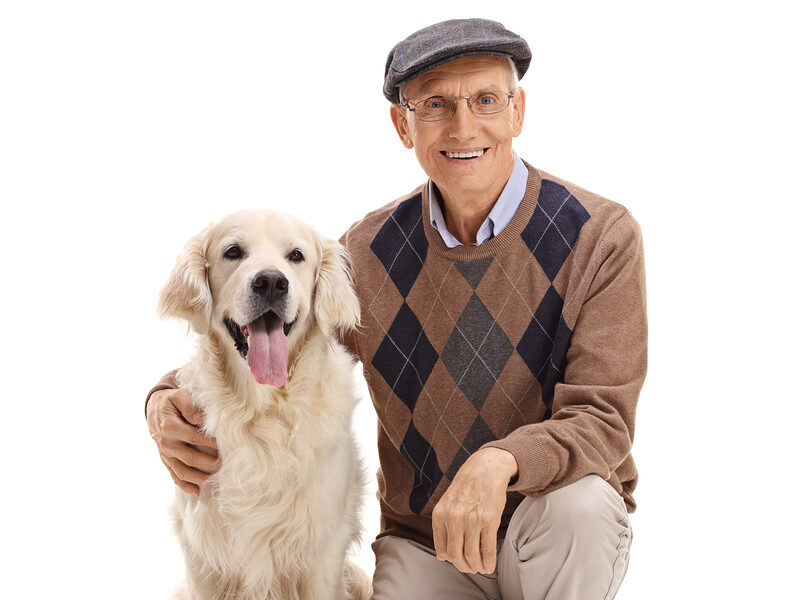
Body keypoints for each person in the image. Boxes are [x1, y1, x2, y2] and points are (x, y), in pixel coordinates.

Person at [146, 18, 647, 600]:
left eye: (486, 99)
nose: (463, 126)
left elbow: (603, 420)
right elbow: (277, 331)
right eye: (435, 105)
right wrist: (163, 401)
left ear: (518, 111)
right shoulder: (364, 253)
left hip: (548, 522)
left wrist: (499, 462)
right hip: (427, 542)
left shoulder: (601, 236)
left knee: (581, 507)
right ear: (402, 125)